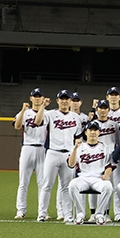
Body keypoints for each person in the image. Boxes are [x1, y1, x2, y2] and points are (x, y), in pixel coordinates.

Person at [36, 90, 83, 222]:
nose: (64, 101)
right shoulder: (50, 114)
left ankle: (67, 215)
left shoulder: (76, 117)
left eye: (66, 99)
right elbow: (38, 121)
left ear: (70, 101)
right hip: (53, 152)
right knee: (47, 184)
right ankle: (42, 213)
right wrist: (43, 106)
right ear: (57, 101)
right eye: (62, 99)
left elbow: (78, 137)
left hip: (68, 154)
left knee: (66, 187)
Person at [67, 121, 114, 225]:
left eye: (95, 130)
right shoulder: (79, 147)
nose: (93, 132)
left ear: (99, 133)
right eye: (90, 130)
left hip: (98, 178)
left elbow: (109, 165)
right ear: (86, 132)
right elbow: (71, 164)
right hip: (83, 177)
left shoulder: (105, 147)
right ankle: (80, 214)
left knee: (108, 187)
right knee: (72, 185)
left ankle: (99, 214)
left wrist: (106, 174)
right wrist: (75, 148)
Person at [13, 88, 48, 219]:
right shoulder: (25, 113)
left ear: (43, 98)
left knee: (42, 183)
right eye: (35, 96)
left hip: (43, 149)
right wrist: (23, 110)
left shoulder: (47, 113)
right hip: (27, 147)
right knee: (23, 182)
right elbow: (17, 126)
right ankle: (20, 211)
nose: (38, 98)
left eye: (40, 96)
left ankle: (42, 212)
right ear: (31, 98)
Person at [105, 86, 120, 222]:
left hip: (119, 151)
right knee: (105, 183)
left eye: (116, 94)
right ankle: (104, 212)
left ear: (119, 97)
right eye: (111, 94)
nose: (113, 97)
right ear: (107, 97)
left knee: (118, 184)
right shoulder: (102, 111)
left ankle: (119, 213)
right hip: (104, 152)